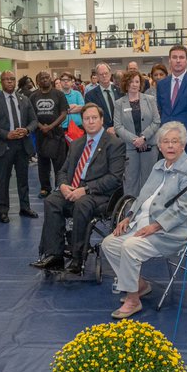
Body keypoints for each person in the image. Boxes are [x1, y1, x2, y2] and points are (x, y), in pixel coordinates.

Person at [101, 121, 187, 319]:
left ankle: (132, 299)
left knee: (129, 246)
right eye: (165, 142)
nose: (170, 146)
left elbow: (186, 207)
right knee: (109, 243)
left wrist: (156, 226)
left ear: (183, 145)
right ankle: (139, 285)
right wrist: (128, 216)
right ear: (159, 146)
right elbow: (143, 196)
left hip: (170, 231)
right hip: (142, 224)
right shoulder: (158, 166)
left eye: (174, 142)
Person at [31, 104, 125, 274]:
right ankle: (55, 256)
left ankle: (77, 257)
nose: (90, 121)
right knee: (52, 201)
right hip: (74, 187)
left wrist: (86, 189)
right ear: (82, 121)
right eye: (87, 118)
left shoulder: (115, 144)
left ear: (102, 120)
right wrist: (63, 185)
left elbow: (114, 178)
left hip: (100, 194)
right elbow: (64, 170)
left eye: (94, 118)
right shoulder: (76, 144)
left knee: (82, 203)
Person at [0, 70, 39, 223]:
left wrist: (27, 130)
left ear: (15, 82)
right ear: (1, 82)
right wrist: (5, 134)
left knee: (23, 179)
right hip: (4, 145)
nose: (10, 82)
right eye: (6, 79)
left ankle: (25, 207)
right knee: (3, 180)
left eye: (12, 79)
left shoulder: (24, 99)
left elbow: (34, 121)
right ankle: (3, 210)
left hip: (22, 145)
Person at [113, 69, 160, 197]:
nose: (134, 84)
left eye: (137, 81)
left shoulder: (150, 99)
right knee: (130, 181)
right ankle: (130, 212)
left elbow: (156, 121)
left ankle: (147, 211)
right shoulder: (119, 103)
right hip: (130, 148)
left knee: (149, 180)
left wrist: (144, 137)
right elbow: (117, 126)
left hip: (149, 146)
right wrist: (136, 140)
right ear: (125, 84)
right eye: (131, 82)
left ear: (141, 83)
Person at [156, 45, 187, 156]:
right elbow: (161, 109)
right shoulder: (161, 84)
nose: (178, 61)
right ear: (169, 60)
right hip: (166, 138)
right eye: (174, 57)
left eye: (181, 57)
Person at [30, 70, 69, 197]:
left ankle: (60, 187)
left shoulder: (59, 94)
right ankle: (45, 188)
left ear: (51, 79)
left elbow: (64, 113)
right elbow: (31, 115)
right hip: (41, 134)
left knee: (59, 164)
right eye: (42, 78)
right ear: (38, 81)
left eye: (47, 77)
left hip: (57, 133)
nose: (45, 79)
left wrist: (51, 126)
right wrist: (41, 127)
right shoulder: (33, 96)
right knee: (43, 163)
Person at [84, 63, 122, 132]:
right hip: (101, 133)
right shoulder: (90, 95)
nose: (104, 76)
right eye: (101, 74)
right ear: (97, 76)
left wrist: (117, 128)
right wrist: (106, 129)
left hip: (121, 132)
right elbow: (92, 116)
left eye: (106, 73)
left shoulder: (121, 92)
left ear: (110, 74)